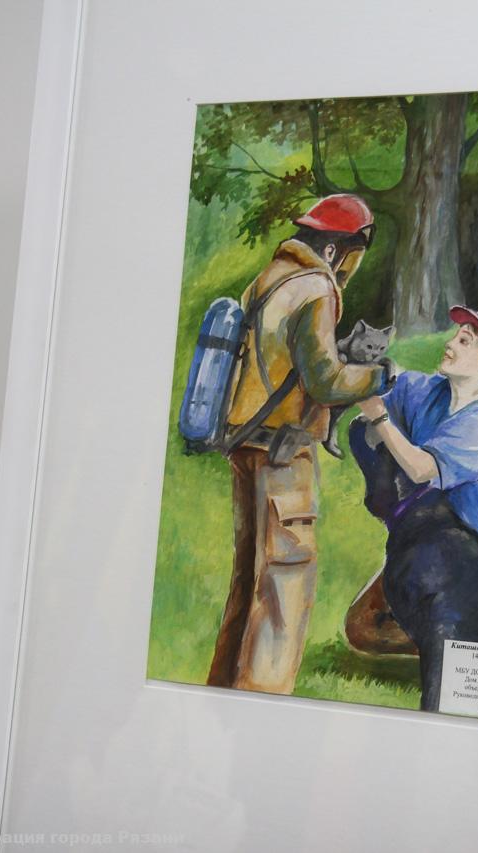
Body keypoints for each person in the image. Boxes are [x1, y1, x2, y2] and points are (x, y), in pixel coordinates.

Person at [206, 194, 393, 694]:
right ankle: (263, 699)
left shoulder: (269, 279)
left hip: (244, 444)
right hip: (284, 454)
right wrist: (379, 375)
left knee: (248, 580)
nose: (350, 268)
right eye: (353, 256)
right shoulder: (315, 287)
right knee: (284, 583)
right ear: (335, 249)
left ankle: (224, 689)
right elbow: (326, 381)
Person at [344, 306, 478, 655]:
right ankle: (446, 633)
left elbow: (420, 469)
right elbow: (388, 380)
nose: (450, 344)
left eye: (465, 341)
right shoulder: (433, 392)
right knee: (362, 626)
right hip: (431, 545)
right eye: (455, 336)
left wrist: (379, 416)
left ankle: (468, 636)